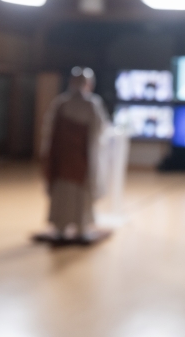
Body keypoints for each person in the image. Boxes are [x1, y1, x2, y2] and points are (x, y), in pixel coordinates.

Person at [38, 67, 111, 244]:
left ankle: (62, 228)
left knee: (65, 193)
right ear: (88, 84)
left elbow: (48, 130)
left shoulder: (62, 102)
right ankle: (79, 228)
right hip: (79, 160)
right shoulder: (89, 103)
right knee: (76, 194)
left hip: (67, 160)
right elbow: (101, 129)